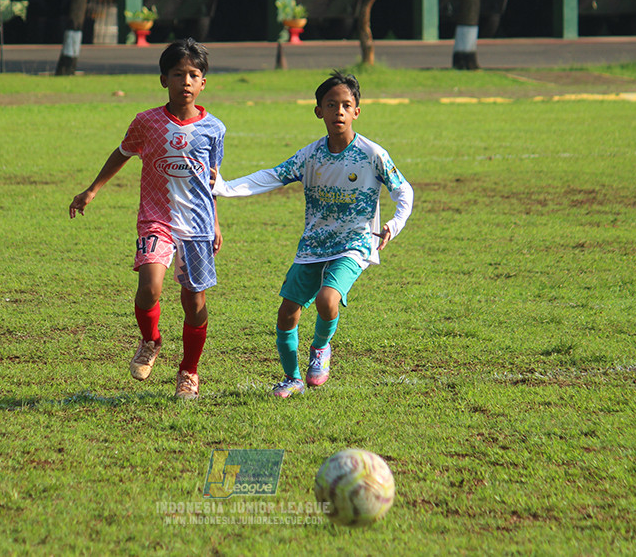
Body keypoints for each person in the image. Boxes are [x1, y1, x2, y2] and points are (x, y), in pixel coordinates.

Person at [213, 71, 413, 398]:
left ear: (357, 112)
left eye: (346, 105)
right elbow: (272, 176)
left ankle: (321, 347)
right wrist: (224, 187)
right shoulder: (311, 156)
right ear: (318, 110)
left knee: (326, 299)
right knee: (287, 312)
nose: (339, 112)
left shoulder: (373, 154)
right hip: (313, 246)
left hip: (355, 244)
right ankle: (291, 378)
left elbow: (403, 191)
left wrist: (394, 223)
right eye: (331, 105)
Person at [69, 38, 224, 400]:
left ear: (203, 83)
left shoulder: (214, 129)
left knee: (194, 303)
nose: (185, 81)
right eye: (177, 74)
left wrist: (215, 221)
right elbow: (122, 153)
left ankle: (189, 371)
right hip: (156, 220)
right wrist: (92, 190)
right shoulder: (147, 122)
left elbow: (212, 180)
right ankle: (151, 340)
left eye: (193, 75)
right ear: (163, 79)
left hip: (198, 224)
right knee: (149, 287)